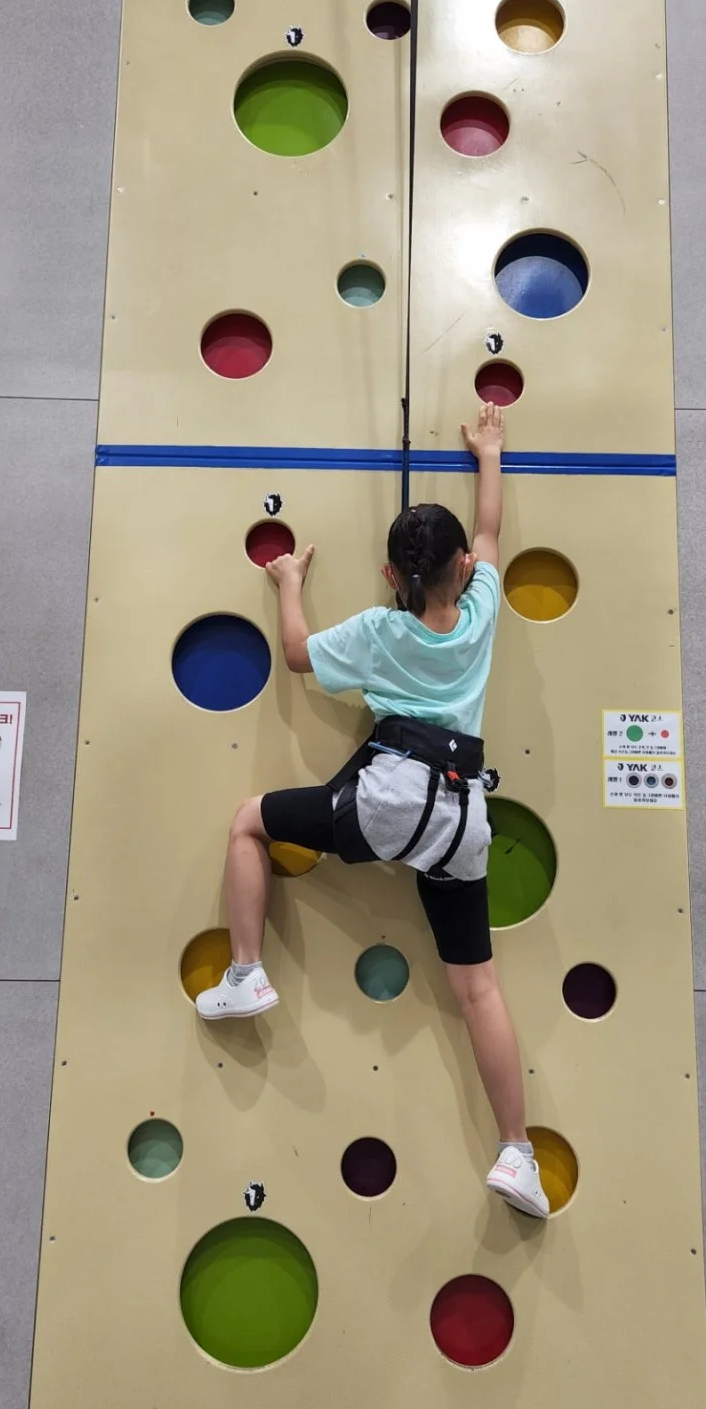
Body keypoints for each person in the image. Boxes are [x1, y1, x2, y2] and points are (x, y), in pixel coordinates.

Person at [195, 403, 549, 1220]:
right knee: (479, 987)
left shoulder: (379, 632)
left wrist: (290, 585)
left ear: (393, 576)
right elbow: (489, 533)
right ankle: (518, 1153)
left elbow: (296, 654)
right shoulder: (482, 611)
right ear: (463, 568)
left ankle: (246, 973)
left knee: (250, 820)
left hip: (388, 802)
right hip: (461, 821)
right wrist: (489, 453)